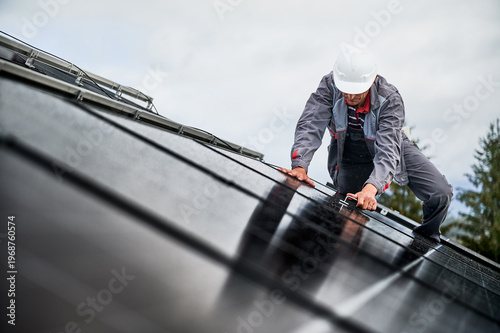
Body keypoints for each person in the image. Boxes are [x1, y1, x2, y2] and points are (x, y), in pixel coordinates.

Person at [279, 48, 453, 242]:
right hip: (350, 151)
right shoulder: (329, 85)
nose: (350, 97)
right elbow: (311, 123)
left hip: (392, 144)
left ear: (372, 81)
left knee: (440, 193)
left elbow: (388, 150)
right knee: (348, 210)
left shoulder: (390, 98)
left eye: (356, 92)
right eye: (345, 90)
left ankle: (425, 242)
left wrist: (371, 188)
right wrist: (300, 166)